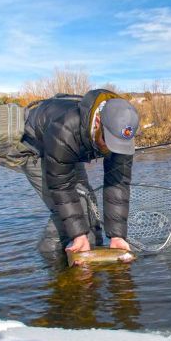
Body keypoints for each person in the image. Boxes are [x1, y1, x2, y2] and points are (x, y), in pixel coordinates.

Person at [14, 89, 139, 254]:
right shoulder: (64, 128)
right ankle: (53, 264)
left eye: (118, 144)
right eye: (108, 141)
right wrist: (78, 235)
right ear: (97, 122)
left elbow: (118, 184)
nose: (112, 149)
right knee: (66, 216)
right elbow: (62, 187)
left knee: (88, 205)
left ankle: (89, 253)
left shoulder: (122, 132)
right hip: (37, 148)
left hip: (72, 149)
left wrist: (117, 236)